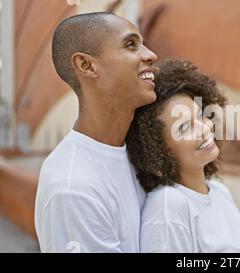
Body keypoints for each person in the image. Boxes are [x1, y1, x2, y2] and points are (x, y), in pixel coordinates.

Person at [34, 12, 158, 252]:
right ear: (86, 65)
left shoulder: (137, 151)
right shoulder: (72, 189)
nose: (151, 55)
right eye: (131, 45)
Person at [126, 59, 240, 252]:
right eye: (184, 127)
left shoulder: (218, 190)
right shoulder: (168, 207)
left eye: (200, 116)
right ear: (157, 151)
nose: (205, 128)